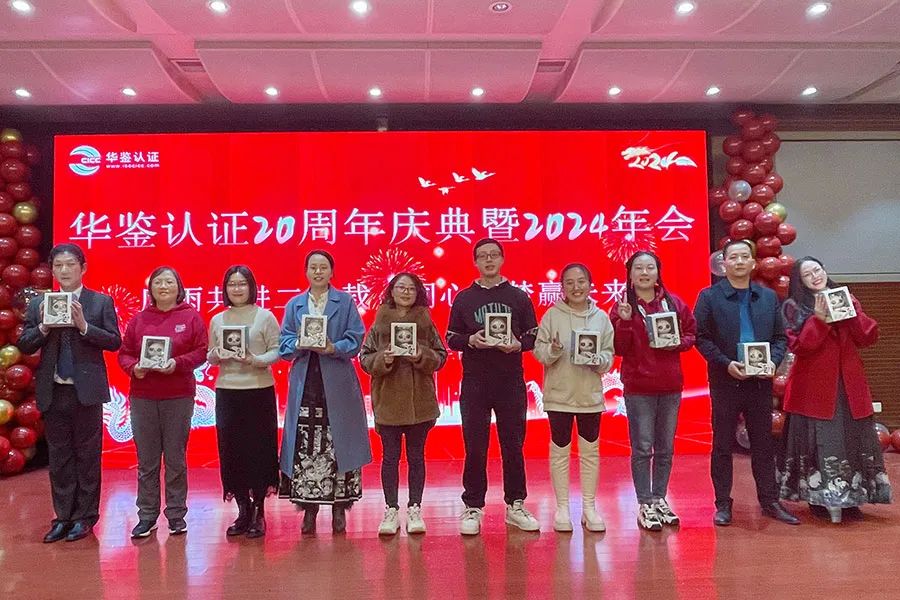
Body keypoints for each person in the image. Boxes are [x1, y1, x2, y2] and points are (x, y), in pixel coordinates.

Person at [19, 243, 121, 543]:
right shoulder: (40, 304)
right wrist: (43, 327)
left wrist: (84, 326)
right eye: (58, 266)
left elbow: (114, 341)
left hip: (86, 391)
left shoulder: (99, 302)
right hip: (53, 390)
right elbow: (25, 343)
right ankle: (62, 517)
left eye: (70, 265)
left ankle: (85, 517)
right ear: (52, 270)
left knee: (87, 456)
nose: (64, 270)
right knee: (59, 457)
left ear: (83, 268)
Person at [694, 240, 799, 526]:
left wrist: (772, 363)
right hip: (725, 380)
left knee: (763, 444)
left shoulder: (767, 297)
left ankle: (770, 501)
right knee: (722, 444)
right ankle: (722, 504)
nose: (739, 262)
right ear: (723, 264)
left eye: (744, 257)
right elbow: (701, 338)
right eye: (733, 257)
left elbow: (780, 338)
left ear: (753, 263)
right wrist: (725, 363)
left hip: (759, 383)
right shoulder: (709, 297)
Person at [778, 257, 891, 523]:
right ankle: (818, 498)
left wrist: (852, 313)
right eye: (807, 274)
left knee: (853, 439)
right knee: (820, 441)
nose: (815, 276)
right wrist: (819, 319)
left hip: (849, 383)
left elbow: (868, 337)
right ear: (800, 282)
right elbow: (800, 347)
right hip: (813, 387)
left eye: (817, 270)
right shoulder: (793, 307)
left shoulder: (846, 297)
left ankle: (854, 498)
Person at [446, 238, 540, 535]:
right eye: (483, 256)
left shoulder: (518, 297)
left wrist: (518, 345)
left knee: (513, 445)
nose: (489, 260)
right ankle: (473, 505)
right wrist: (471, 340)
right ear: (475, 262)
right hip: (475, 381)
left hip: (510, 380)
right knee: (475, 446)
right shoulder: (464, 298)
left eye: (494, 255)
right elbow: (451, 338)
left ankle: (516, 504)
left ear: (502, 259)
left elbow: (534, 335)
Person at [278, 250, 372, 535]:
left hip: (337, 381)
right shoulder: (295, 304)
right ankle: (308, 509)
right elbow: (284, 343)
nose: (318, 272)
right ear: (306, 272)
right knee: (305, 445)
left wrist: (334, 347)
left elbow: (356, 339)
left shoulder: (345, 302)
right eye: (313, 267)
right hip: (305, 382)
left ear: (332, 272)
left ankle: (340, 508)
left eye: (323, 267)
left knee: (338, 443)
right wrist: (299, 344)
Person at [118, 266, 208, 538]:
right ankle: (147, 516)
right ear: (151, 289)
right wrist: (134, 368)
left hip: (178, 395)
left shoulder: (190, 317)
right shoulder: (139, 319)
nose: (164, 286)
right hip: (143, 396)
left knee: (175, 458)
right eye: (158, 282)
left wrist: (177, 363)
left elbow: (201, 351)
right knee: (147, 461)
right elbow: (125, 354)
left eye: (169, 281)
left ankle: (176, 514)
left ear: (178, 287)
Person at [611, 251, 696, 531]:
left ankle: (660, 498)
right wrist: (624, 321)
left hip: (670, 385)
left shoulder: (674, 303)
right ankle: (645, 503)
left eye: (650, 267)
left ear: (658, 272)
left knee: (665, 448)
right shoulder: (623, 306)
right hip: (638, 388)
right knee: (642, 448)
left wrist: (677, 342)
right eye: (639, 268)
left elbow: (691, 334)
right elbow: (619, 349)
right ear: (630, 274)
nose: (645, 273)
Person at [360, 273, 447, 536]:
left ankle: (415, 508)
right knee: (390, 458)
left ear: (418, 293)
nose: (406, 292)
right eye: (401, 287)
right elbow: (365, 358)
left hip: (420, 402)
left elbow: (441, 356)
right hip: (388, 402)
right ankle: (390, 510)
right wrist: (383, 359)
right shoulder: (379, 322)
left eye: (411, 288)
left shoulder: (426, 322)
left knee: (417, 457)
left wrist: (421, 355)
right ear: (392, 291)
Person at [534, 263, 613, 532]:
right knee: (560, 452)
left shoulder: (601, 318)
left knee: (590, 452)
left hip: (590, 396)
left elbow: (609, 355)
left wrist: (598, 360)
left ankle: (589, 508)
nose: (576, 287)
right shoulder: (551, 316)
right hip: (559, 396)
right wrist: (554, 350)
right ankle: (562, 508)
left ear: (590, 285)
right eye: (569, 282)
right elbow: (539, 352)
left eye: (581, 282)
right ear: (562, 287)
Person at [207, 265, 281, 538]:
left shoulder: (265, 316)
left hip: (258, 390)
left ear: (251, 287)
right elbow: (210, 355)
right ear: (225, 289)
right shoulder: (218, 319)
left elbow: (277, 351)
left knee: (259, 450)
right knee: (232, 450)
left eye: (242, 284)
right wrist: (218, 354)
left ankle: (259, 511)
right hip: (228, 391)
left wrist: (255, 360)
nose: (237, 289)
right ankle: (243, 509)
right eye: (232, 284)